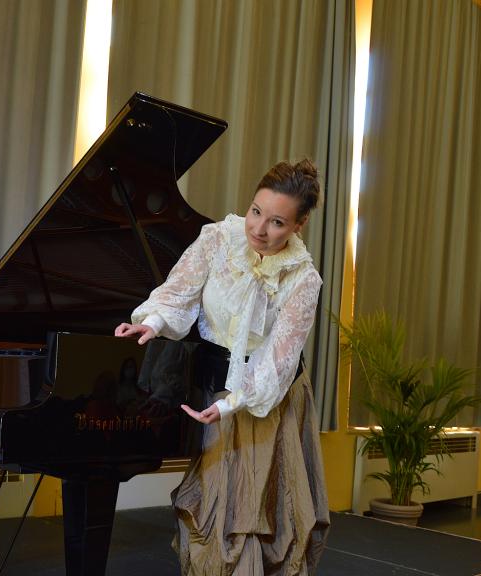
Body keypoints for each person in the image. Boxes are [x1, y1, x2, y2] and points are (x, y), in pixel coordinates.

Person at [114, 159, 330, 575]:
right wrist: (151, 323)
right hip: (213, 383)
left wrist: (232, 404)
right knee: (212, 512)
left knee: (256, 517)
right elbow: (180, 293)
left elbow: (278, 362)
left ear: (299, 225)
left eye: (277, 222)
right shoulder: (216, 239)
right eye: (255, 211)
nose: (259, 229)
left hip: (266, 402)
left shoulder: (303, 279)